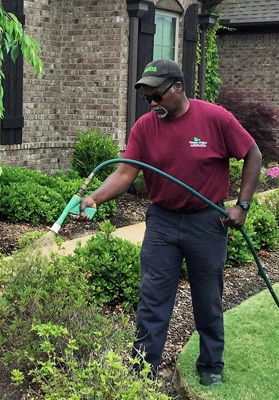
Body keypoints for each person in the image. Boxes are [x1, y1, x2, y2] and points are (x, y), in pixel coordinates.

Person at [77, 59, 261, 387]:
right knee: (153, 297)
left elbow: (252, 153)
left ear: (178, 87)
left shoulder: (215, 118)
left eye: (157, 96)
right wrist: (94, 198)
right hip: (162, 222)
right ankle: (142, 368)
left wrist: (242, 205)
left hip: (206, 222)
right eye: (147, 98)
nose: (152, 104)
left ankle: (210, 363)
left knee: (208, 298)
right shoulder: (145, 127)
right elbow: (125, 172)